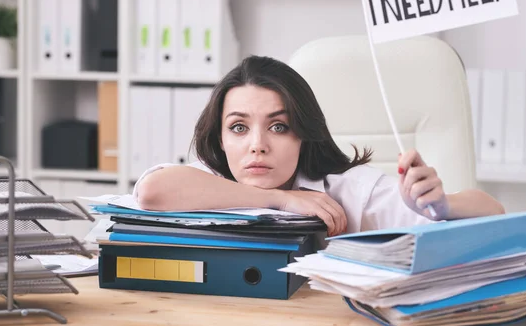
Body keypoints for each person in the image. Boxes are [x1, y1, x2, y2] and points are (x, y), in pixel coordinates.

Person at [132, 55, 505, 237]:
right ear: (220, 139)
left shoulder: (348, 190)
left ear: (304, 134)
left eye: (279, 126)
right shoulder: (210, 182)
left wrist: (442, 207)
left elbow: (494, 214)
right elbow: (151, 190)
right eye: (239, 127)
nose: (257, 145)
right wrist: (282, 200)